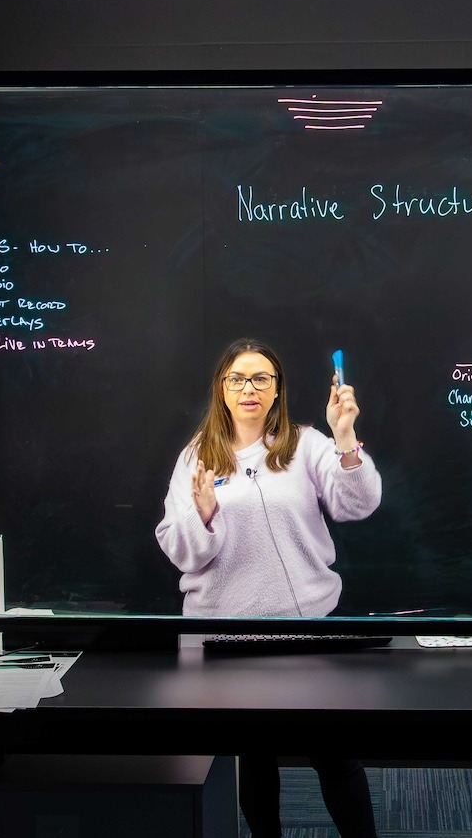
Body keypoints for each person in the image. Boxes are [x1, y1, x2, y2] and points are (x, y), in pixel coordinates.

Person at [155, 337, 382, 838]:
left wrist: (345, 437)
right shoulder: (197, 457)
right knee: (254, 759)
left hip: (308, 631)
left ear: (277, 390)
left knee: (335, 756)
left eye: (261, 378)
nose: (249, 389)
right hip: (229, 635)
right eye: (237, 378)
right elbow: (179, 548)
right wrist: (204, 518)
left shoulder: (305, 444)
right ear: (222, 388)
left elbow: (357, 504)